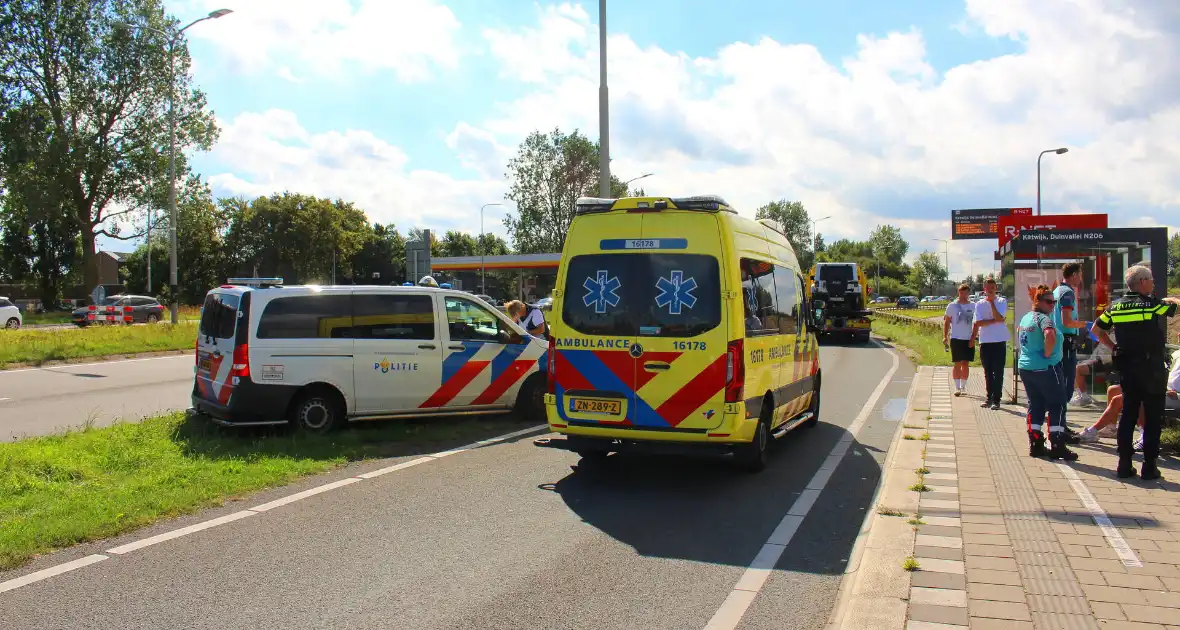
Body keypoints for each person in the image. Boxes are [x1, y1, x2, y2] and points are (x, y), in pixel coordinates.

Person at [1094, 263, 1180, 480]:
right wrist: (1172, 300)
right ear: (1142, 282)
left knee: (1128, 416)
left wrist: (1114, 347)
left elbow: (1097, 330)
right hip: (1151, 369)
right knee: (1152, 418)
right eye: (1151, 280)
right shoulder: (1150, 305)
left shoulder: (1115, 307)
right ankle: (1149, 467)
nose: (1153, 284)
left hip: (1128, 368)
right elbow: (1174, 308)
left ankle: (1124, 465)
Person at [1018, 285, 1075, 460]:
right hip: (1047, 368)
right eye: (1049, 301)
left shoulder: (1026, 318)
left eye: (1054, 302)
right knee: (1057, 404)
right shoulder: (1044, 319)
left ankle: (1035, 443)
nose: (1053, 305)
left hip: (1027, 368)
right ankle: (1057, 443)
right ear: (1038, 301)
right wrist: (1048, 353)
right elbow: (1049, 334)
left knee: (1036, 404)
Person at [1053, 263, 1085, 442]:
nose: (1081, 278)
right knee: (1065, 386)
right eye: (1080, 274)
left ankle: (1061, 424)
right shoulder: (1068, 293)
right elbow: (1066, 320)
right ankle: (1060, 427)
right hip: (1065, 341)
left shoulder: (1057, 290)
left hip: (1060, 342)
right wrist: (1084, 325)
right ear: (1073, 274)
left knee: (1062, 384)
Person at [972, 277, 1009, 410]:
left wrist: (992, 303)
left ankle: (996, 399)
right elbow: (978, 322)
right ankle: (989, 398)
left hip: (999, 341)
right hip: (985, 341)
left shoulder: (1001, 301)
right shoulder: (979, 304)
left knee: (998, 372)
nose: (991, 290)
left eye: (993, 287)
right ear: (984, 289)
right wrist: (994, 321)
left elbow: (1000, 317)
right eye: (988, 287)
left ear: (996, 288)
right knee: (987, 371)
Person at [943, 284, 976, 396]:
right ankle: (957, 387)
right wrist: (945, 336)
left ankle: (963, 387)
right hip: (956, 337)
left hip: (968, 338)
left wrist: (974, 337)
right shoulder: (952, 306)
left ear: (968, 293)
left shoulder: (973, 306)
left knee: (965, 363)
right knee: (957, 363)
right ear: (958, 293)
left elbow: (977, 323)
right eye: (961, 293)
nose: (963, 295)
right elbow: (947, 321)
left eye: (965, 293)